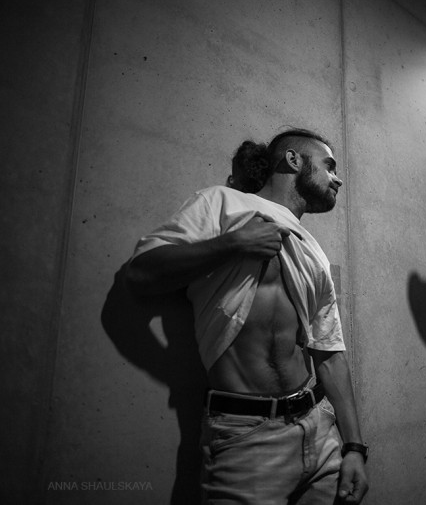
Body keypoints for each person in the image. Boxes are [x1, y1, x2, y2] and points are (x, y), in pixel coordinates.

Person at [125, 128, 369, 504]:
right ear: (293, 160)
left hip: (320, 431)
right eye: (329, 166)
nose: (337, 178)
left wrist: (354, 447)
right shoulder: (222, 203)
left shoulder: (313, 251)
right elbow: (141, 274)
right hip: (247, 437)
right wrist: (233, 243)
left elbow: (330, 354)